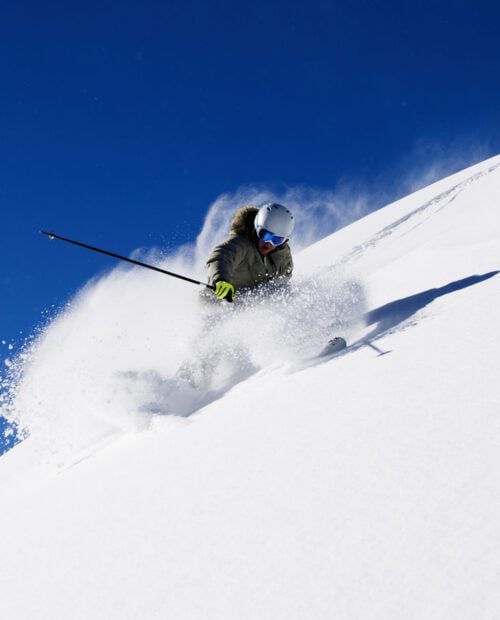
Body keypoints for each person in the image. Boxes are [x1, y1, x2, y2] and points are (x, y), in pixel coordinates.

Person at [206, 203, 295, 302]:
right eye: (265, 235)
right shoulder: (241, 244)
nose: (269, 243)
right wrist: (220, 280)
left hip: (255, 309)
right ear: (256, 227)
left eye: (277, 240)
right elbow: (221, 256)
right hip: (219, 305)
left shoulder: (282, 257)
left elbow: (283, 285)